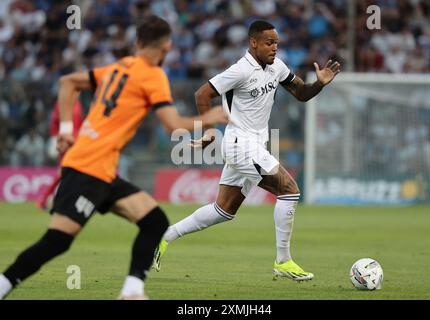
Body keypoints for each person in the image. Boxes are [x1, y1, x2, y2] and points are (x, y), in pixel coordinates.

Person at [0, 15, 228, 300]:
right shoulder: (153, 75)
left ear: (137, 42)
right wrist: (209, 118)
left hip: (101, 169)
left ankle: (132, 291)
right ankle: (3, 284)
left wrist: (68, 130)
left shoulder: (120, 66)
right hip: (89, 169)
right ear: (167, 47)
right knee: (57, 241)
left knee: (154, 221)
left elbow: (68, 82)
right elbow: (172, 125)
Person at [152, 20, 340, 282]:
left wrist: (319, 84)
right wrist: (208, 131)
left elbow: (301, 93)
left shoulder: (276, 67)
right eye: (268, 43)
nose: (274, 48)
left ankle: (165, 235)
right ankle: (283, 261)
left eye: (276, 43)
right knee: (290, 190)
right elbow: (202, 94)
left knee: (223, 210)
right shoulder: (240, 70)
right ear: (253, 43)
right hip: (240, 144)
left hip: (254, 144)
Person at [37, 100, 84, 210]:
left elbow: (80, 122)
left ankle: (50, 199)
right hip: (66, 142)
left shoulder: (77, 103)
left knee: (74, 172)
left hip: (78, 142)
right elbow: (55, 122)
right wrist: (55, 138)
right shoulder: (61, 102)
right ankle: (45, 199)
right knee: (63, 172)